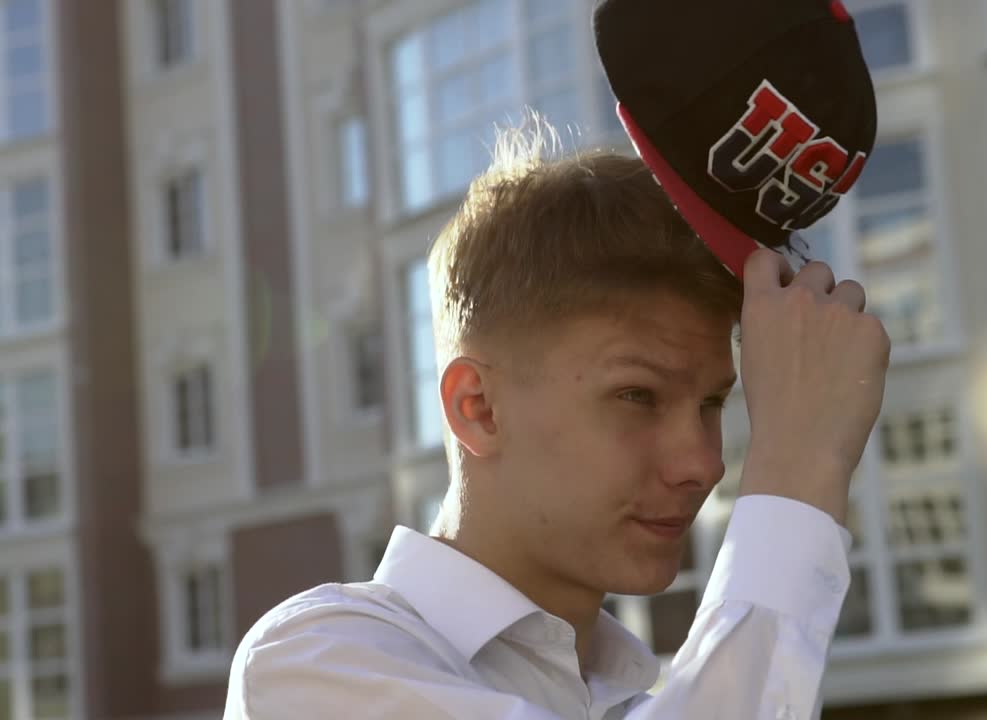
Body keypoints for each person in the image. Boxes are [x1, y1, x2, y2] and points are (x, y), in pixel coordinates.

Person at [222, 116, 889, 718]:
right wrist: (798, 468)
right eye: (638, 396)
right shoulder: (310, 665)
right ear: (476, 409)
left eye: (713, 403)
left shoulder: (642, 704)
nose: (704, 464)